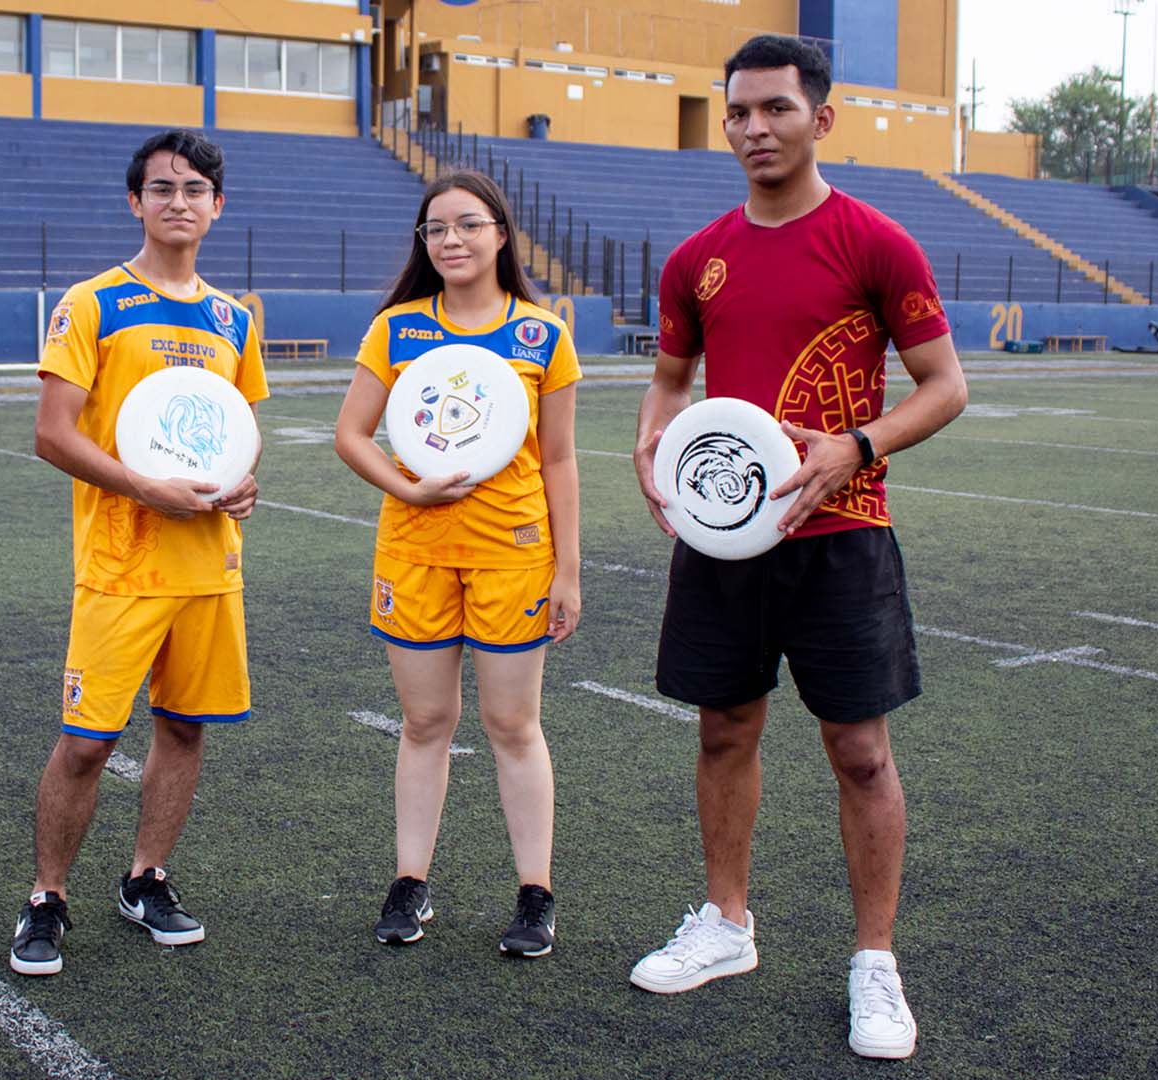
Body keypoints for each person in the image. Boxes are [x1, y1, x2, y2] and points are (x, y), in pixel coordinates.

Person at [628, 35, 967, 1060]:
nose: (753, 129)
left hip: (843, 536)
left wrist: (855, 445)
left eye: (775, 109)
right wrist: (651, 449)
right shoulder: (696, 258)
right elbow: (670, 384)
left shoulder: (876, 243)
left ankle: (875, 963)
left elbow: (945, 386)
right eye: (738, 112)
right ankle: (727, 925)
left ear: (820, 119)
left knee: (860, 752)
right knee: (724, 729)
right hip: (726, 542)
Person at [10, 130, 266, 977]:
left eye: (195, 189)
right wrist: (141, 487)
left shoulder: (234, 317)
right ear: (136, 202)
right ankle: (47, 896)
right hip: (121, 564)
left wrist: (244, 485)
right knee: (87, 742)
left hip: (208, 566)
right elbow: (52, 435)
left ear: (217, 205)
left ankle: (146, 878)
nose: (179, 202)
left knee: (184, 728)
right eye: (162, 189)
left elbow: (239, 435)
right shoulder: (91, 304)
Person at [334, 170, 581, 958]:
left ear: (501, 234)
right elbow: (351, 436)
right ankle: (411, 881)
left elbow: (562, 461)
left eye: (468, 225)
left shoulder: (542, 334)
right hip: (415, 552)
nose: (451, 241)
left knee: (512, 723)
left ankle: (535, 893)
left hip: (513, 553)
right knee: (426, 721)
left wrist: (568, 571)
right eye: (435, 229)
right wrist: (410, 485)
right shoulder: (398, 329)